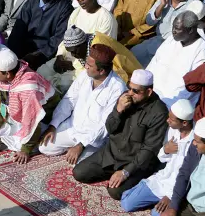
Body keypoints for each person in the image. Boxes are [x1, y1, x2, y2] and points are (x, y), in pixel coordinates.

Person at [72, 69, 169, 200]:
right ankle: (112, 173)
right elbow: (110, 128)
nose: (130, 93)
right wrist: (118, 110)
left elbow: (149, 149)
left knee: (115, 192)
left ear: (148, 92)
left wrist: (126, 172)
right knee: (79, 173)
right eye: (129, 88)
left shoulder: (159, 112)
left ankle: (131, 178)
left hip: (133, 161)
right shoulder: (124, 98)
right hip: (111, 154)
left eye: (135, 91)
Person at [38, 44, 126, 164]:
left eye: (89, 65)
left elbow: (106, 123)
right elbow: (69, 100)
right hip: (73, 128)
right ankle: (72, 147)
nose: (85, 67)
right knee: (44, 147)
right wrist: (53, 125)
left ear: (101, 71)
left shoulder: (117, 87)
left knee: (79, 165)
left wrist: (81, 145)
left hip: (94, 138)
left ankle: (90, 151)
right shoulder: (85, 75)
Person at [0, 49, 56, 164]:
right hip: (19, 114)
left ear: (7, 74)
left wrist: (25, 150)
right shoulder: (6, 80)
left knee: (28, 144)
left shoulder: (29, 90)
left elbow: (33, 119)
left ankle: (31, 145)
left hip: (43, 118)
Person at [120, 99, 195, 215]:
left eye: (171, 119)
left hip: (178, 188)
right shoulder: (173, 130)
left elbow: (189, 176)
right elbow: (162, 157)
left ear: (184, 123)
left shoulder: (196, 142)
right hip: (163, 179)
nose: (167, 120)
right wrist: (166, 150)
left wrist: (171, 196)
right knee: (126, 203)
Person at [146, 10, 205, 108]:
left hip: (172, 103)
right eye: (173, 27)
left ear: (190, 30)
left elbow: (191, 89)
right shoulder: (171, 39)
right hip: (151, 94)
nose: (173, 31)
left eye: (177, 28)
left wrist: (166, 104)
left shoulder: (202, 50)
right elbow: (154, 63)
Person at [7, 0, 73, 70]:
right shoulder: (31, 2)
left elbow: (58, 38)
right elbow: (17, 32)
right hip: (23, 51)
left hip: (44, 55)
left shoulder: (64, 7)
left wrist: (40, 55)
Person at [130, 0, 197, 67]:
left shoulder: (193, 3)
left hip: (174, 49)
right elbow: (149, 21)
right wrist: (162, 5)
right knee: (131, 55)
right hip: (156, 42)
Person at [37, 26, 95, 96]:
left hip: (81, 70)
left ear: (83, 44)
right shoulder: (77, 42)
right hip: (66, 60)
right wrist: (59, 57)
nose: (73, 54)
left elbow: (88, 73)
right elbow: (64, 45)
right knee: (40, 72)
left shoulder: (95, 49)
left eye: (74, 51)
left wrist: (74, 66)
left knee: (64, 86)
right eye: (70, 52)